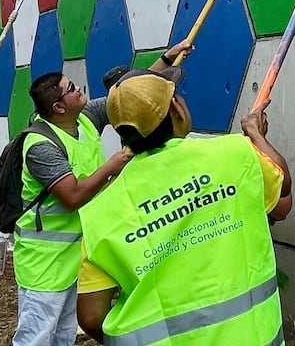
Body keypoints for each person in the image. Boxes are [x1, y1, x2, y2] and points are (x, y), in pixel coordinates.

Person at [76, 65, 293, 345]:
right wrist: (256, 135)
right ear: (176, 109)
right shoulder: (235, 154)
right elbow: (283, 186)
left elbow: (91, 317)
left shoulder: (99, 211)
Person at [13, 42, 192, 346]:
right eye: (71, 89)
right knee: (36, 334)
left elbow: (128, 93)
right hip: (44, 262)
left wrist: (165, 60)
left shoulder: (84, 119)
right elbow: (72, 197)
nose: (79, 89)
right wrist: (114, 164)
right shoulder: (41, 145)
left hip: (75, 255)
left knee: (63, 333)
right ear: (58, 106)